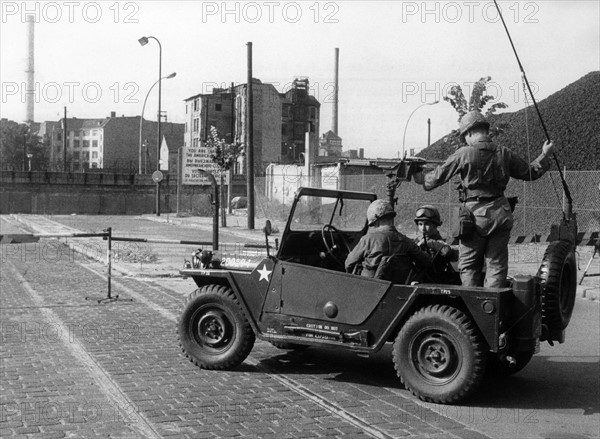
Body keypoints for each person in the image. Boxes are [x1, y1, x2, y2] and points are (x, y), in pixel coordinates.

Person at [413, 110, 554, 288]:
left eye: (464, 136)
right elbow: (531, 172)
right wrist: (545, 154)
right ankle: (493, 309)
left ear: (469, 133)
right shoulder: (504, 153)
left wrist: (419, 178)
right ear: (485, 130)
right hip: (501, 214)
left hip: (474, 218)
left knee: (469, 266)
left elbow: (433, 180)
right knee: (496, 266)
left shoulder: (463, 153)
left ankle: (473, 310)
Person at [345, 199, 432, 283]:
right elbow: (426, 261)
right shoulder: (407, 241)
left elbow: (348, 264)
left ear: (376, 221)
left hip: (368, 290)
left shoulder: (368, 240)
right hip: (397, 291)